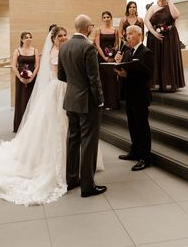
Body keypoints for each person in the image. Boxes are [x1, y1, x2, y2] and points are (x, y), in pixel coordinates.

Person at [0, 26, 104, 206]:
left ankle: (73, 172)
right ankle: (64, 170)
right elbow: (59, 74)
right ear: (52, 39)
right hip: (58, 90)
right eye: (59, 36)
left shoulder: (67, 47)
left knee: (70, 130)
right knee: (59, 128)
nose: (62, 37)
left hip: (69, 92)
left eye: (64, 35)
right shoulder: (56, 51)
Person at [58, 14, 107, 198]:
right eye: (91, 26)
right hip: (87, 102)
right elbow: (95, 80)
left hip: (71, 99)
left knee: (73, 139)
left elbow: (61, 76)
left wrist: (75, 84)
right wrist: (100, 100)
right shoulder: (88, 47)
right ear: (88, 28)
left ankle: (72, 180)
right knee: (89, 142)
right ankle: (88, 186)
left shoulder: (64, 47)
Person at [115, 25, 154, 171]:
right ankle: (135, 151)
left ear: (139, 35)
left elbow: (148, 74)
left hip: (140, 95)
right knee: (132, 124)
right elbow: (125, 68)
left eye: (130, 34)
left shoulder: (146, 52)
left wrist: (127, 75)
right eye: (126, 34)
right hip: (129, 94)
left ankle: (145, 157)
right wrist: (118, 64)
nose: (127, 37)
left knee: (142, 126)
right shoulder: (128, 51)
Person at [144, 0, 185, 92]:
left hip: (169, 37)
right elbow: (146, 20)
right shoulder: (153, 7)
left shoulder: (170, 6)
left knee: (168, 58)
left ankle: (169, 83)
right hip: (155, 37)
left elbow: (175, 16)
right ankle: (156, 83)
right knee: (156, 58)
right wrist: (154, 33)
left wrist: (169, 1)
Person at [12, 31, 39, 133]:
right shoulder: (17, 51)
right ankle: (19, 125)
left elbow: (37, 66)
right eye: (26, 37)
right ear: (22, 39)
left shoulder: (35, 50)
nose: (28, 39)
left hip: (32, 79)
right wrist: (20, 78)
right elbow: (14, 66)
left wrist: (31, 78)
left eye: (30, 37)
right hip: (20, 79)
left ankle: (31, 125)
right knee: (21, 100)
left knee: (31, 100)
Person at [94, 11, 119, 110]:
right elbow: (97, 45)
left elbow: (116, 44)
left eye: (108, 17)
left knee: (112, 79)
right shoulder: (98, 30)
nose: (106, 19)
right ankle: (104, 103)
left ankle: (113, 103)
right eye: (104, 17)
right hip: (101, 58)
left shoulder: (115, 30)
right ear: (102, 19)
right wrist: (105, 57)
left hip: (112, 58)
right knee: (103, 79)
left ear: (111, 18)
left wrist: (113, 53)